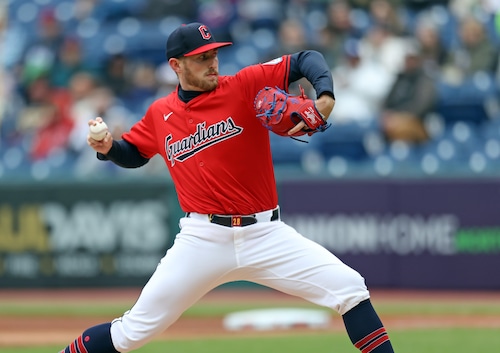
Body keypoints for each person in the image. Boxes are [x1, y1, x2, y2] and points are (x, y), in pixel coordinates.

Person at [58, 22, 395, 353]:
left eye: (214, 54)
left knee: (350, 288)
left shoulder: (244, 84)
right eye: (201, 58)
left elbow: (306, 59)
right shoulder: (160, 113)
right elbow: (135, 153)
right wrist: (109, 149)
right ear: (176, 65)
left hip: (266, 234)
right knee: (131, 333)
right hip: (202, 239)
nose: (212, 62)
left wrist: (325, 97)